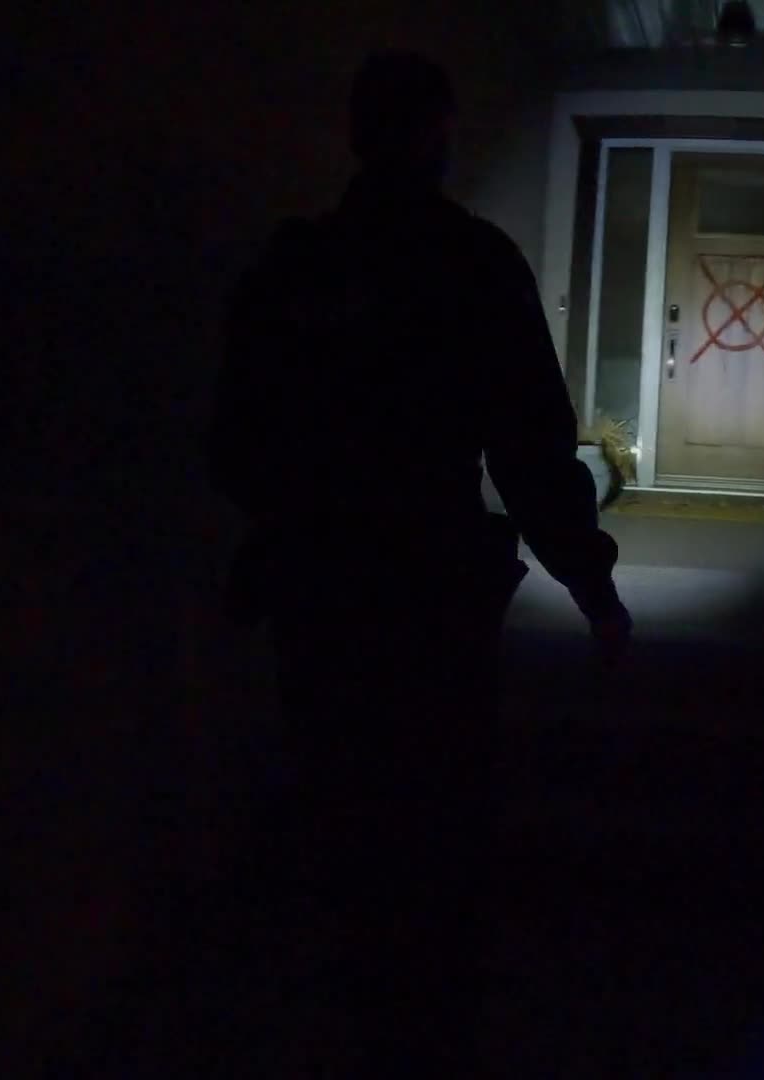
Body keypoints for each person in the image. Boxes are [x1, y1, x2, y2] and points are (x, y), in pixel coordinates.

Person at [205, 49, 631, 1071]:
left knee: (342, 810)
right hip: (431, 591)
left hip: (322, 587)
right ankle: (427, 1026)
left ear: (357, 133)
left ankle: (363, 1016)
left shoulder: (297, 268)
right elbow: (530, 447)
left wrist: (299, 515)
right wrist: (590, 581)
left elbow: (234, 443)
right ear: (439, 132)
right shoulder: (470, 264)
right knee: (436, 818)